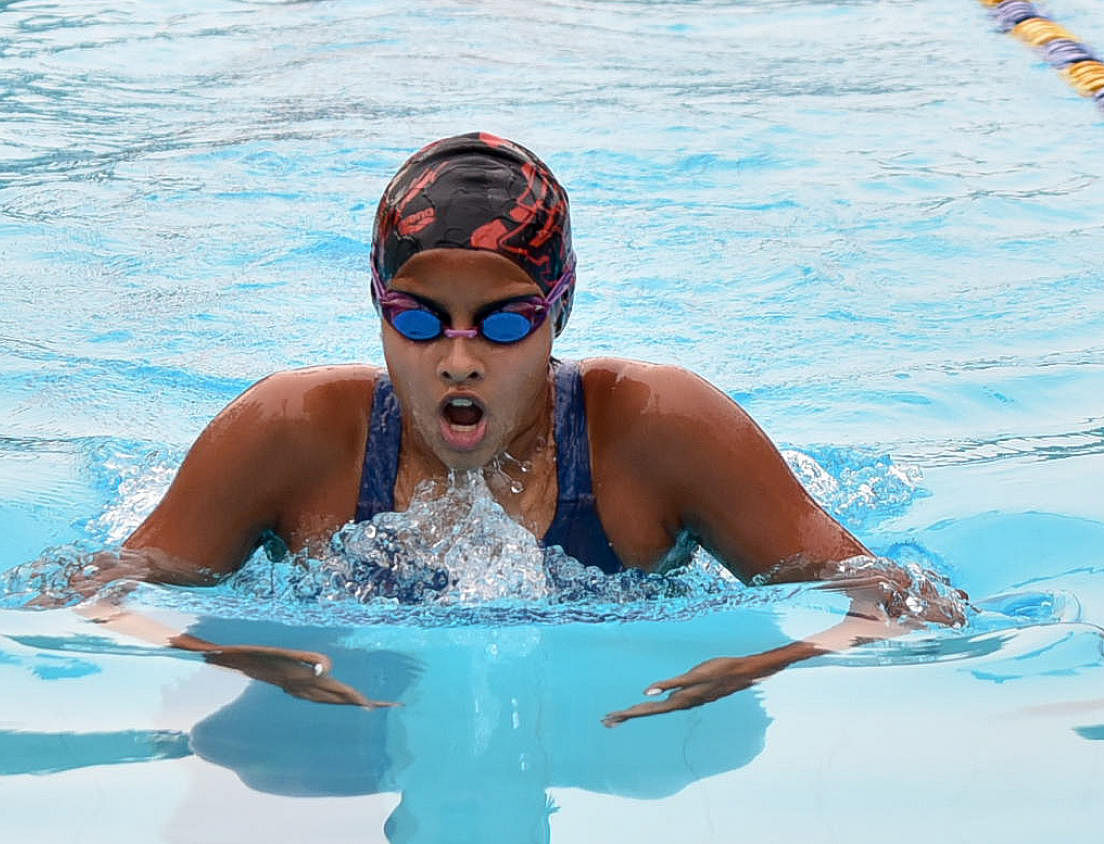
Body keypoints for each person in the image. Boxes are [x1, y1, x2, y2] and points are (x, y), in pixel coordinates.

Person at [73, 132, 965, 724]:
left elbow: (911, 598)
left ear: (559, 314)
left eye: (502, 323)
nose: (458, 360)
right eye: (421, 320)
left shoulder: (661, 430)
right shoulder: (288, 432)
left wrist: (770, 664)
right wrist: (228, 653)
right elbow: (87, 596)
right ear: (378, 309)